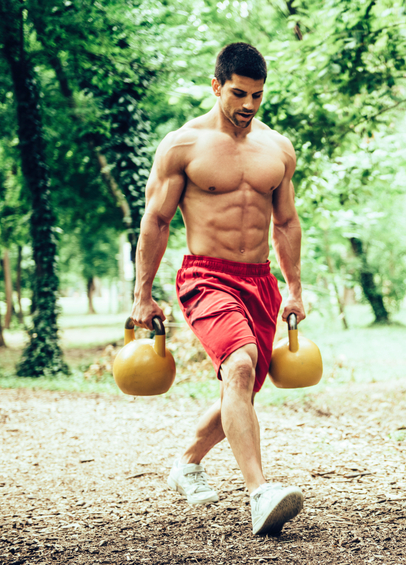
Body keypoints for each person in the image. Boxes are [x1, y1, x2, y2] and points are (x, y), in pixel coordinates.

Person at [130, 43, 305, 535]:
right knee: (243, 363)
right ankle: (259, 492)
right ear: (216, 85)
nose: (248, 105)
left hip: (260, 281)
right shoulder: (182, 145)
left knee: (242, 384)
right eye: (238, 93)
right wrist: (142, 294)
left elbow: (287, 222)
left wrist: (293, 288)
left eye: (258, 96)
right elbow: (157, 220)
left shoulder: (278, 149)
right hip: (206, 276)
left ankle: (187, 461)